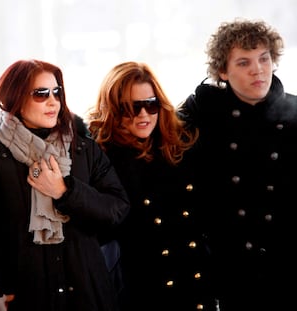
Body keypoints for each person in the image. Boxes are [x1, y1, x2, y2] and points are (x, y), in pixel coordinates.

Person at [0, 59, 130, 311]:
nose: (53, 101)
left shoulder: (84, 148)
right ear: (14, 98)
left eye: (56, 92)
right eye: (41, 94)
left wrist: (65, 192)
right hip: (25, 296)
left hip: (88, 294)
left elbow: (117, 210)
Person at [177, 18, 297, 311]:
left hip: (293, 277)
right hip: (229, 279)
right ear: (222, 71)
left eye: (264, 58)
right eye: (243, 62)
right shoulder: (200, 118)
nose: (258, 69)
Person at [87, 61, 217, 311]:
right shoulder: (99, 159)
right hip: (143, 292)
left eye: (151, 104)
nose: (144, 115)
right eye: (131, 108)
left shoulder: (180, 144)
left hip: (197, 286)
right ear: (113, 109)